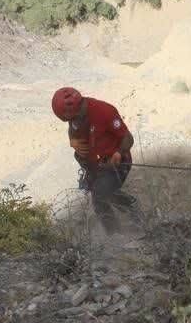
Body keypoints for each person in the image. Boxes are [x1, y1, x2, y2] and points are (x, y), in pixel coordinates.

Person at [51, 87, 137, 233]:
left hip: (118, 163)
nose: (71, 122)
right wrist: (73, 141)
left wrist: (118, 153)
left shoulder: (104, 111)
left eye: (71, 118)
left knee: (99, 197)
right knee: (105, 192)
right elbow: (72, 127)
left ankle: (114, 235)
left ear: (77, 110)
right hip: (96, 165)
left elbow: (128, 138)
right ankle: (133, 208)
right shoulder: (76, 116)